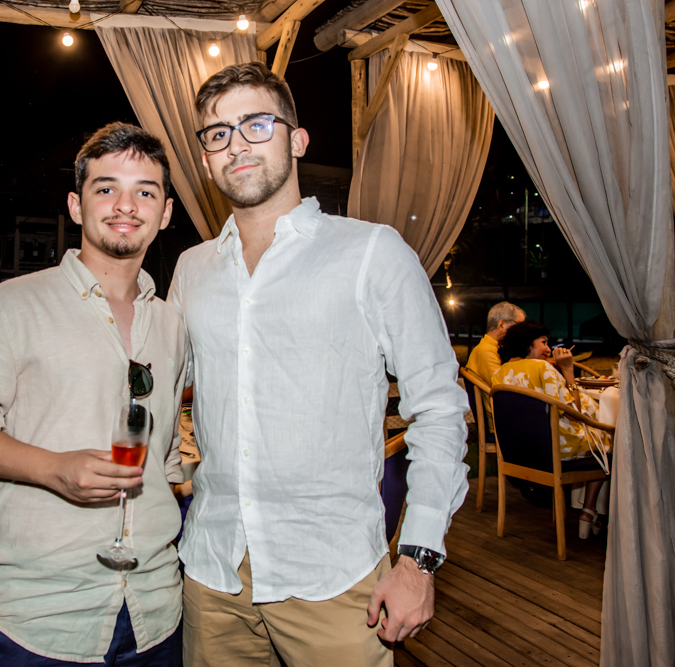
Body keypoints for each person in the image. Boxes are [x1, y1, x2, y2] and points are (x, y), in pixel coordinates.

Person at [168, 62, 469, 667]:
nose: (237, 144)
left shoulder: (372, 252)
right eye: (219, 133)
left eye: (257, 124)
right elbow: (158, 385)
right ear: (205, 159)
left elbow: (439, 408)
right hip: (212, 570)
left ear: (297, 140)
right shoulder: (191, 269)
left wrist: (417, 558)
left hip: (334, 577)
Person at [0, 122, 188, 666]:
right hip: (38, 616)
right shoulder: (12, 305)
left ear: (165, 213)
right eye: (106, 188)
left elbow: (164, 460)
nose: (126, 205)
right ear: (75, 205)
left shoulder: (172, 326)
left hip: (157, 610)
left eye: (145, 192)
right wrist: (53, 469)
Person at [490, 321, 612, 538]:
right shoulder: (543, 368)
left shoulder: (500, 373)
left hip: (523, 452)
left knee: (598, 437)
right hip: (554, 450)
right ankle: (589, 509)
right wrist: (568, 370)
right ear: (528, 343)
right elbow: (574, 411)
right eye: (544, 342)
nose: (549, 349)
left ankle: (587, 510)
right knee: (608, 441)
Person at [466, 301, 526, 383]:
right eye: (519, 325)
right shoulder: (486, 351)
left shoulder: (495, 348)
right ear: (501, 325)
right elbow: (503, 386)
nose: (522, 331)